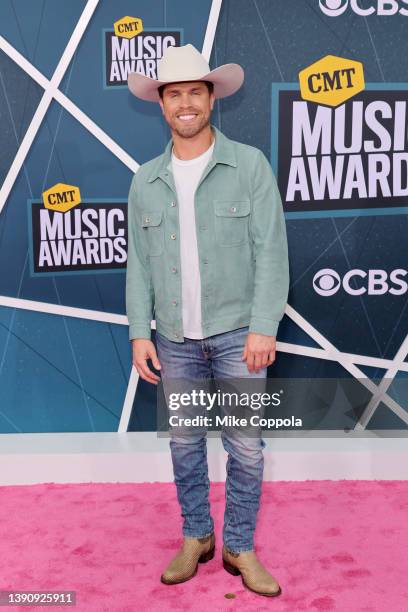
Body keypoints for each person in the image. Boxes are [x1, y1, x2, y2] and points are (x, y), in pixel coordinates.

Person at [126, 43, 289, 597]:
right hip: (173, 339)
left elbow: (271, 251)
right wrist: (139, 332)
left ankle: (239, 546)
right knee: (183, 442)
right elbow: (139, 264)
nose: (186, 103)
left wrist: (263, 325)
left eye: (196, 91)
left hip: (238, 335)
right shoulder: (145, 180)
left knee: (245, 445)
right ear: (163, 104)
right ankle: (197, 534)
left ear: (211, 98)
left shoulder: (249, 166)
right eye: (175, 94)